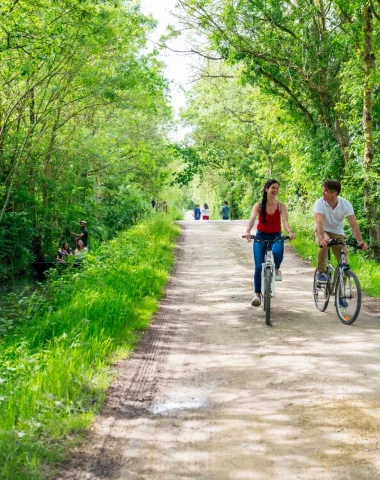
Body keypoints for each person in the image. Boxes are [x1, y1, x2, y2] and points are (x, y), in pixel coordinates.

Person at [244, 179, 295, 307]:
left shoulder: (281, 206)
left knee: (278, 252)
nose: (275, 190)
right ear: (266, 189)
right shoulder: (259, 205)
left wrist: (289, 232)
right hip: (261, 236)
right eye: (273, 188)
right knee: (258, 267)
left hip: (275, 236)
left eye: (277, 188)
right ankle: (257, 295)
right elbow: (251, 219)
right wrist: (248, 231)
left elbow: (285, 222)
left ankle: (276, 268)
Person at [314, 180, 367, 285]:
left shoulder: (345, 204)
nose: (323, 192)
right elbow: (319, 223)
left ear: (334, 193)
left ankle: (340, 296)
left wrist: (360, 241)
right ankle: (321, 271)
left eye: (326, 190)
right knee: (325, 242)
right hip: (323, 231)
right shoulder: (320, 203)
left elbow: (353, 225)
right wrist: (321, 239)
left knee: (344, 264)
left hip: (338, 233)